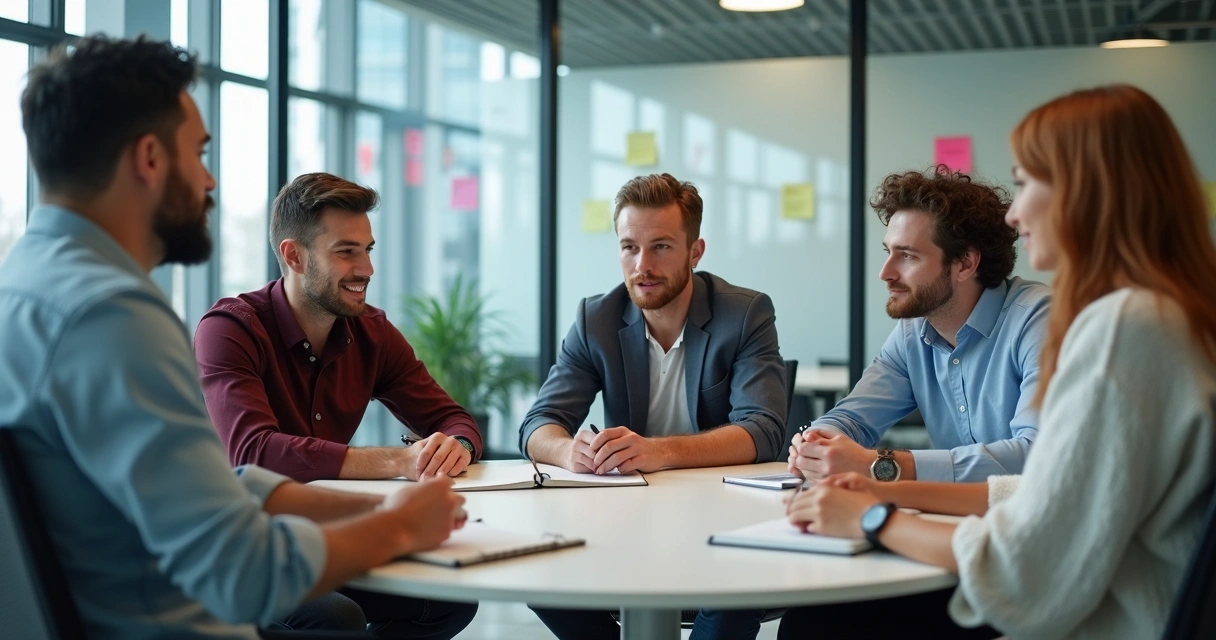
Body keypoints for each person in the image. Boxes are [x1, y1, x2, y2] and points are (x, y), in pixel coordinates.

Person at [0, 35, 471, 639]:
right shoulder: (110, 316)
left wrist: (381, 504)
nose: (209, 180)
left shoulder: (27, 287)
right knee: (345, 619)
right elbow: (241, 570)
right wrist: (399, 526)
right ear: (149, 159)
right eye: (199, 153)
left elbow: (214, 488)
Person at [783, 84, 1216, 640]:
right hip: (1110, 603)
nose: (1014, 213)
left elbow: (1029, 565)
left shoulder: (1122, 326)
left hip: (1101, 622)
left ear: (1087, 192)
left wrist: (874, 516)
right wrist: (878, 485)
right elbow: (1043, 494)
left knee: (818, 621)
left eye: (1026, 183)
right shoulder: (1167, 314)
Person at [193, 172, 482, 635]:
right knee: (333, 618)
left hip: (326, 531)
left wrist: (456, 447)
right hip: (238, 545)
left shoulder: (372, 332)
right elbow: (255, 453)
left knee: (447, 599)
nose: (366, 269)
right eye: (346, 251)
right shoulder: (230, 330)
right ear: (294, 255)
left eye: (368, 249)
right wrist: (399, 461)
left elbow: (454, 419)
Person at [521, 173, 787, 640]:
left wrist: (658, 451)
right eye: (630, 247)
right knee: (535, 568)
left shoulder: (744, 314)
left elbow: (763, 429)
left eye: (661, 247)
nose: (642, 265)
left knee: (733, 592)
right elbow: (539, 423)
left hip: (724, 519)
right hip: (628, 520)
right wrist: (567, 451)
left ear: (695, 252)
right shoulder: (596, 319)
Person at [789, 167, 1050, 484]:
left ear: (965, 263)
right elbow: (853, 418)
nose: (885, 273)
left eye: (908, 256)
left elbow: (1036, 456)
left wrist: (881, 464)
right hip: (954, 511)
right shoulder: (912, 333)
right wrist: (817, 443)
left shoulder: (1040, 319)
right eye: (888, 252)